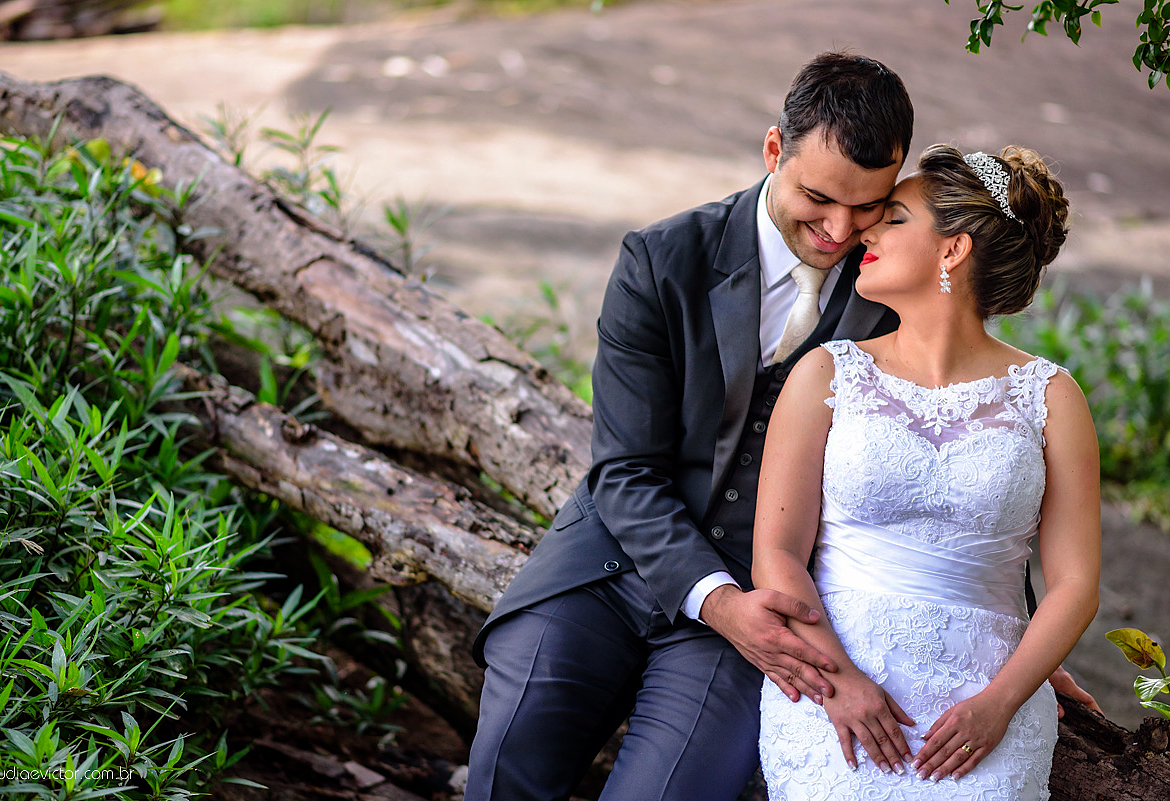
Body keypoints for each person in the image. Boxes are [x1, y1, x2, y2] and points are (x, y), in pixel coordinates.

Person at [465, 52, 1096, 801]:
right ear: (774, 152)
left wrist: (1010, 635)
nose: (839, 230)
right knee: (507, 764)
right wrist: (720, 601)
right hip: (613, 568)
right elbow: (626, 472)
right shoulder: (664, 258)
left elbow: (967, 460)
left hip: (775, 610)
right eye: (819, 199)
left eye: (870, 206)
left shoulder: (893, 290)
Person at [753, 144, 1101, 800]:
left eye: (895, 219)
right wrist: (841, 684)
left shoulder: (1052, 396)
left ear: (953, 250)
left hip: (985, 712)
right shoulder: (827, 373)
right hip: (836, 695)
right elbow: (775, 552)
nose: (866, 230)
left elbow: (1077, 583)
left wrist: (1002, 702)